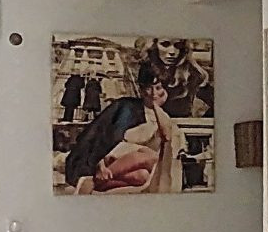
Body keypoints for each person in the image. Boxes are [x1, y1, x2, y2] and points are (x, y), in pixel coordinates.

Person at [62, 65, 184, 194]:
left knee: (142, 176)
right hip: (101, 160)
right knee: (151, 158)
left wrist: (155, 106)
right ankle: (94, 178)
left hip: (129, 166)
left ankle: (93, 183)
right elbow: (104, 137)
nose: (153, 93)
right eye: (148, 88)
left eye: (158, 88)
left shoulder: (162, 115)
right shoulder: (127, 107)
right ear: (141, 89)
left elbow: (166, 135)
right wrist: (100, 164)